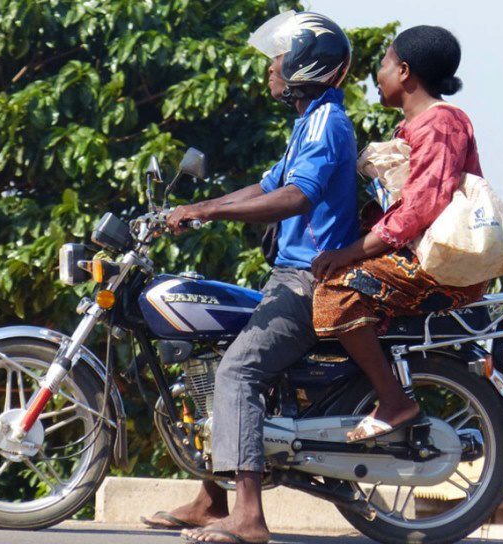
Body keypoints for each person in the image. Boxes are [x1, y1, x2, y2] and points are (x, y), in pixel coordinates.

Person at [139, 11, 358, 544]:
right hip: (290, 275)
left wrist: (209, 214)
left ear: (309, 63)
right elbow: (262, 188)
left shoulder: (328, 123)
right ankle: (210, 499)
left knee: (238, 374)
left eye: (278, 59)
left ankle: (250, 519)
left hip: (310, 279)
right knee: (211, 354)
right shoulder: (308, 122)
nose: (270, 70)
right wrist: (197, 206)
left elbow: (294, 197)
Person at [311, 25, 486, 442]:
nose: (378, 74)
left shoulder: (441, 123)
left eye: (385, 64)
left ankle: (394, 400)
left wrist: (351, 251)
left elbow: (420, 209)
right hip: (416, 260)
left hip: (439, 267)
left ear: (405, 71)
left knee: (335, 294)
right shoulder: (412, 127)